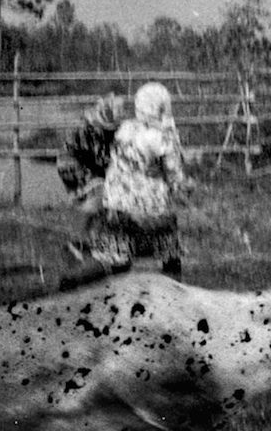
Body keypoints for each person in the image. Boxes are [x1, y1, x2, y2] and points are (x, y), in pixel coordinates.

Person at [61, 82, 190, 290]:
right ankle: (177, 294)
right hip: (151, 210)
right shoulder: (164, 136)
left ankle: (77, 280)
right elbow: (175, 175)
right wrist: (184, 188)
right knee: (171, 252)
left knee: (117, 258)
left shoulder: (125, 128)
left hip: (115, 207)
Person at [56, 92, 124, 213]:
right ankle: (88, 213)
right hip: (74, 166)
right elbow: (100, 157)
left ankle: (84, 208)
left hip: (84, 164)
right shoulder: (88, 129)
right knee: (98, 193)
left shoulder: (95, 128)